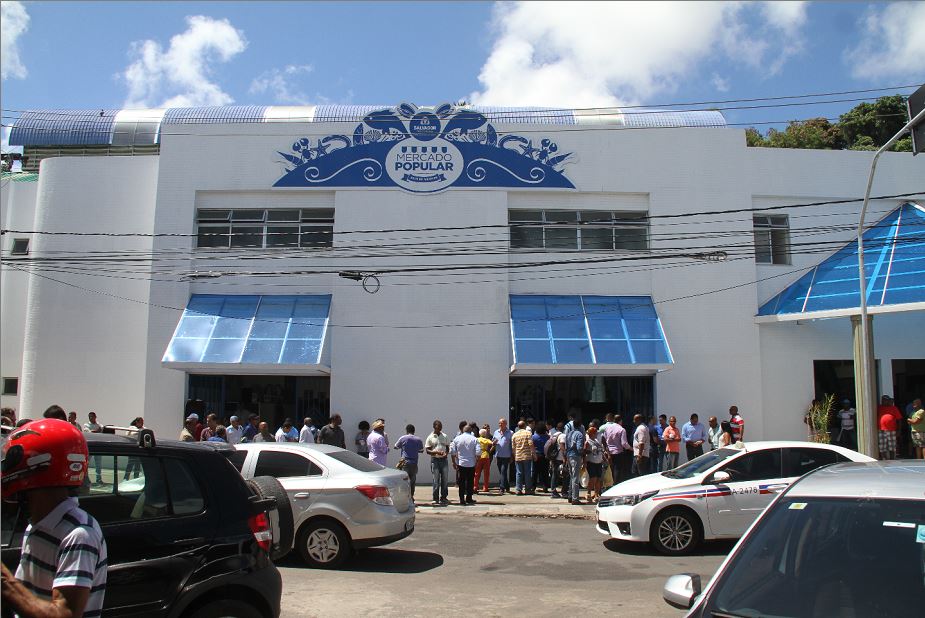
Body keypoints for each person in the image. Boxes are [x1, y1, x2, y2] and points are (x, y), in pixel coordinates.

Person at [0, 419, 108, 617]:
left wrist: (5, 582)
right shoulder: (38, 522)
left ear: (37, 467)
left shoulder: (79, 535)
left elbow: (64, 613)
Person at [449, 424, 481, 506]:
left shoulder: (457, 439)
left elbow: (452, 451)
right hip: (471, 463)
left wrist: (453, 462)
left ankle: (462, 499)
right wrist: (477, 462)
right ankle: (469, 498)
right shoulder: (475, 439)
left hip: (461, 463)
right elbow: (478, 452)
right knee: (470, 481)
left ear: (463, 430)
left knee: (461, 482)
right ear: (471, 431)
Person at [394, 425, 424, 499]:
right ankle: (411, 496)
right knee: (412, 481)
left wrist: (404, 447)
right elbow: (421, 450)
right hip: (414, 463)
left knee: (404, 481)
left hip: (405, 463)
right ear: (414, 431)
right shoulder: (418, 439)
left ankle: (405, 497)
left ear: (406, 430)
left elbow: (395, 447)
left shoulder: (403, 438)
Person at [425, 420, 451, 506]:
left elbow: (447, 448)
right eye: (437, 428)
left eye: (440, 427)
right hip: (435, 460)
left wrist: (446, 454)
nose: (439, 429)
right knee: (436, 480)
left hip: (444, 460)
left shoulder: (445, 436)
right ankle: (435, 498)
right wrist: (435, 452)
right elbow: (427, 450)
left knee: (445, 479)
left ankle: (443, 497)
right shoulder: (430, 437)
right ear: (434, 427)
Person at [603, 414, 631, 486]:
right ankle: (615, 485)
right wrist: (632, 449)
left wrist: (606, 451)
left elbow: (604, 441)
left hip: (608, 453)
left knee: (609, 470)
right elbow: (624, 443)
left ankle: (608, 486)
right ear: (620, 421)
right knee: (617, 470)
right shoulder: (621, 429)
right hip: (618, 453)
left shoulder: (607, 429)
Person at [564, 419, 585, 505]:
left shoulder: (569, 434)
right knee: (576, 477)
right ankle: (575, 498)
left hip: (569, 455)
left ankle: (570, 495)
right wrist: (585, 452)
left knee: (572, 477)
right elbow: (579, 448)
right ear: (580, 426)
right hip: (576, 456)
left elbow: (566, 445)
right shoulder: (579, 434)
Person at [584, 425, 607, 503]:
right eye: (595, 433)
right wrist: (584, 462)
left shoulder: (597, 441)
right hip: (591, 462)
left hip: (599, 462)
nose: (596, 434)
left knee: (598, 479)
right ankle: (588, 493)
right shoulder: (588, 442)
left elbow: (601, 450)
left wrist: (604, 458)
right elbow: (584, 451)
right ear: (591, 434)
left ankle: (596, 494)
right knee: (592, 478)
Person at [511, 421, 535, 495]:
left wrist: (515, 455)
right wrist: (534, 454)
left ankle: (518, 489)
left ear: (518, 426)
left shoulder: (514, 435)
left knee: (519, 473)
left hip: (518, 456)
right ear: (525, 426)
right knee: (527, 473)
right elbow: (531, 444)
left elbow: (513, 447)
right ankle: (528, 489)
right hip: (527, 456)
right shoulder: (528, 433)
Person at [492, 418, 513, 495]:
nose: (500, 424)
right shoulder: (496, 432)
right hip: (498, 455)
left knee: (503, 471)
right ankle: (507, 486)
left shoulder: (510, 432)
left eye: (501, 423)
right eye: (499, 423)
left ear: (505, 424)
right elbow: (493, 442)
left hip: (506, 455)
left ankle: (502, 488)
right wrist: (493, 442)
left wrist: (512, 455)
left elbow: (512, 445)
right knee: (501, 472)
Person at [877, 395, 902, 460]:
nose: (883, 401)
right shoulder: (879, 407)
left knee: (892, 446)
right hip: (881, 430)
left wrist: (899, 430)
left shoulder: (894, 408)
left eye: (885, 400)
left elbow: (899, 420)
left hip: (892, 430)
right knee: (882, 446)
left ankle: (892, 459)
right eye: (882, 400)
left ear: (888, 401)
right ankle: (883, 459)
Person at [83, 412, 103, 485]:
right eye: (89, 417)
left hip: (98, 446)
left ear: (95, 417)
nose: (91, 418)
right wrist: (98, 431)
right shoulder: (86, 425)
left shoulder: (99, 425)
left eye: (92, 417)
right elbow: (89, 432)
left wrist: (98, 431)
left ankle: (99, 479)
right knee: (86, 463)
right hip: (89, 447)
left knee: (98, 464)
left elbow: (103, 430)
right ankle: (86, 478)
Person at [531, 422, 550, 492]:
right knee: (545, 472)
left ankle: (533, 487)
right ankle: (545, 487)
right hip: (545, 456)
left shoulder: (534, 437)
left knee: (535, 472)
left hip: (536, 455)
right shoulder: (547, 437)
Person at [474, 428, 493, 493]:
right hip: (486, 456)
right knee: (486, 473)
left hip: (479, 456)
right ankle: (485, 487)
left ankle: (475, 486)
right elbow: (492, 443)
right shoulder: (487, 440)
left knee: (477, 473)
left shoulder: (477, 439)